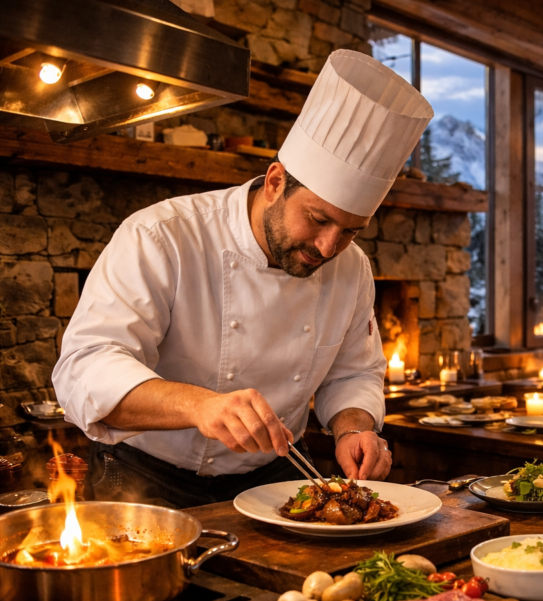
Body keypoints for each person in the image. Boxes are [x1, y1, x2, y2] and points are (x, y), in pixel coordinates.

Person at [52, 51, 434, 508]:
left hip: (272, 479)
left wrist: (356, 428)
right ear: (275, 182)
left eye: (351, 230)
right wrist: (200, 405)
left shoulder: (352, 268)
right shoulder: (163, 235)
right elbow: (85, 368)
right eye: (317, 219)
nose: (329, 247)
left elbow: (353, 371)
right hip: (144, 476)